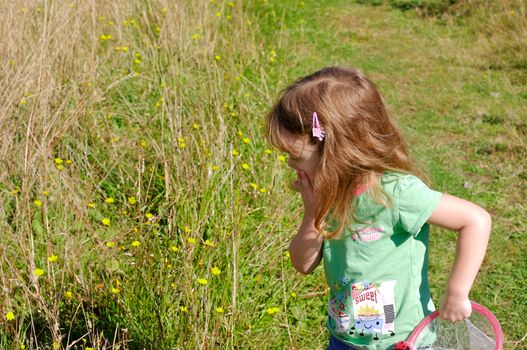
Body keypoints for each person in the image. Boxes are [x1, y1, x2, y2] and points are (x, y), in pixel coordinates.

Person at [265, 66, 491, 350]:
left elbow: (475, 220)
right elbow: (303, 263)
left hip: (403, 342)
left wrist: (457, 292)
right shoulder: (329, 191)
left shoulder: (395, 192)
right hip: (344, 338)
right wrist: (312, 212)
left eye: (294, 155)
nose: (289, 163)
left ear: (337, 149)